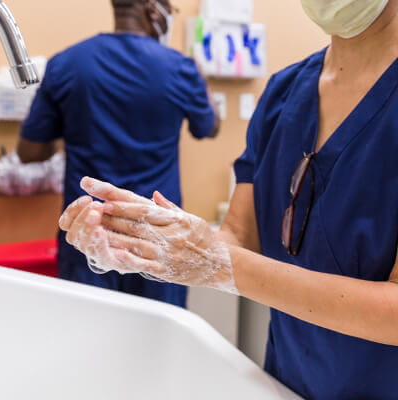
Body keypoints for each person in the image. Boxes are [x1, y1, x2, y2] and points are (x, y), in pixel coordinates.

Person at [59, 0, 398, 398]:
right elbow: (237, 235)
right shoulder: (283, 95)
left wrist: (221, 265)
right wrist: (146, 243)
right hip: (286, 383)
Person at [16, 0, 220, 309]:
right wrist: (197, 72)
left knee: (89, 336)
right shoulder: (180, 67)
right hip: (157, 235)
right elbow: (208, 128)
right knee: (158, 337)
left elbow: (29, 152)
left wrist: (73, 127)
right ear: (154, 9)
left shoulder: (67, 63)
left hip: (90, 233)